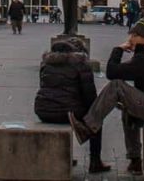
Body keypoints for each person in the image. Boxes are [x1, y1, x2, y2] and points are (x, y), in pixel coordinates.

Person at [68, 17, 144, 175]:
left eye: (133, 35)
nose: (130, 39)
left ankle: (88, 127)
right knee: (127, 109)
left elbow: (112, 72)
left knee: (116, 86)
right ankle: (135, 161)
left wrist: (118, 49)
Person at [35, 39, 110, 174]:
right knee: (96, 122)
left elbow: (44, 87)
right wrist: (92, 114)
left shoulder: (46, 64)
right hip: (67, 112)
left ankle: (65, 156)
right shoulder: (81, 65)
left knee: (68, 112)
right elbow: (89, 96)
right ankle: (95, 161)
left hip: (42, 110)